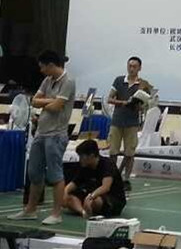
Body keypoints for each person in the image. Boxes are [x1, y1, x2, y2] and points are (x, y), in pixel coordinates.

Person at [10, 50, 76, 225]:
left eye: (42, 67)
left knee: (55, 175)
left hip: (56, 134)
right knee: (34, 172)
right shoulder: (47, 80)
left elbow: (56, 107)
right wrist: (51, 100)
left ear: (51, 65)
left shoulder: (68, 81)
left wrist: (47, 102)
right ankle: (30, 210)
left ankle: (56, 213)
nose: (41, 71)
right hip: (41, 132)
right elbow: (34, 100)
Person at [108, 56, 152, 190]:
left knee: (130, 153)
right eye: (130, 66)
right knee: (113, 152)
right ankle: (111, 178)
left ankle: (126, 179)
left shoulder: (144, 84)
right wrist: (123, 102)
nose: (131, 69)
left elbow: (146, 104)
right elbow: (109, 98)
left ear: (140, 68)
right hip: (117, 120)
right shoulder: (119, 80)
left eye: (134, 66)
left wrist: (139, 105)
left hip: (132, 122)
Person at [64, 139, 126, 219]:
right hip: (91, 194)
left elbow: (105, 187)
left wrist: (90, 197)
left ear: (91, 156)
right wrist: (65, 191)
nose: (80, 159)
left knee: (96, 201)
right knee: (68, 198)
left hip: (111, 199)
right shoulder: (85, 166)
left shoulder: (107, 164)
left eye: (82, 157)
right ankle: (83, 212)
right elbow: (75, 182)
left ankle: (89, 208)